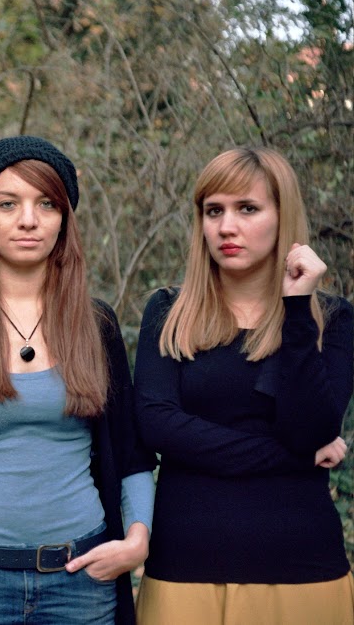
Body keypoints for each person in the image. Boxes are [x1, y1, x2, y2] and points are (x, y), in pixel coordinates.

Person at [0, 136, 156, 625]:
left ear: (64, 218)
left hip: (82, 580)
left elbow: (131, 453)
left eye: (47, 204)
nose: (29, 219)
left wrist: (137, 540)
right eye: (8, 204)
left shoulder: (96, 325)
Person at [134, 146, 354, 624]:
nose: (226, 227)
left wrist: (297, 310)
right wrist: (297, 459)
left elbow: (310, 429)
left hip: (303, 571)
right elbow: (158, 426)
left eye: (247, 209)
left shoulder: (330, 319)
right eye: (214, 211)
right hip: (184, 571)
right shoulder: (169, 313)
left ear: (282, 217)